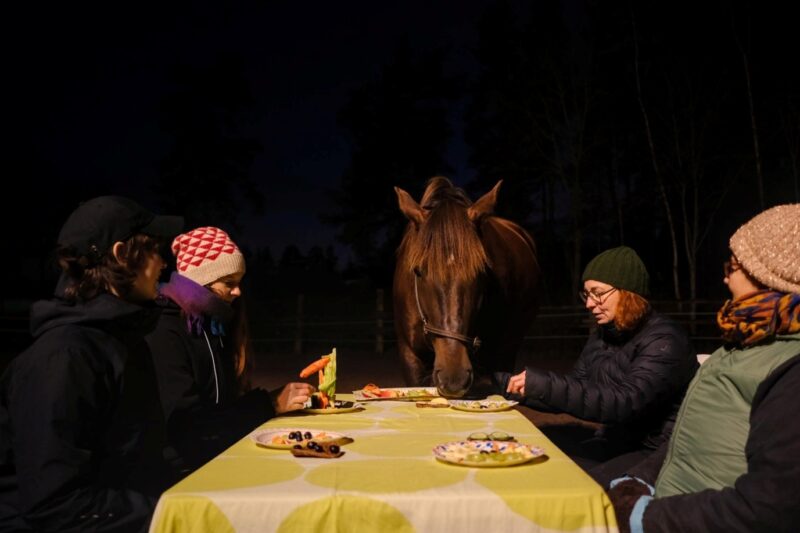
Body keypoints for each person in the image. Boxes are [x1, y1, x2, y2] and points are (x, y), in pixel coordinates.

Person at [608, 204, 800, 532]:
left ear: (770, 273)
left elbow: (769, 508)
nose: (725, 275)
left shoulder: (790, 368)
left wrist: (643, 517)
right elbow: (692, 433)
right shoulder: (745, 344)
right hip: (674, 503)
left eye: (734, 265)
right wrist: (638, 480)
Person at [0, 196, 183, 532]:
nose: (164, 263)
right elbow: (56, 505)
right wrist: (173, 516)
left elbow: (145, 457)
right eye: (155, 249)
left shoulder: (125, 342)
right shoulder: (65, 357)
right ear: (121, 254)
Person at [496, 246, 698, 485]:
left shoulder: (665, 340)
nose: (589, 304)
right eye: (586, 295)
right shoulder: (604, 335)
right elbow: (578, 388)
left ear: (627, 292)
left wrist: (543, 385)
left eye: (598, 293)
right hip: (616, 441)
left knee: (572, 483)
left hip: (655, 453)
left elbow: (625, 402)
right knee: (530, 451)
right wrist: (507, 385)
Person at [145, 226, 314, 475]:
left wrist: (271, 399)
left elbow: (223, 410)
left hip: (219, 455)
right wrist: (269, 404)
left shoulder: (213, 324)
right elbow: (191, 431)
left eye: (239, 282)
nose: (238, 291)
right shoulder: (165, 332)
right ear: (199, 280)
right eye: (229, 283)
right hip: (181, 473)